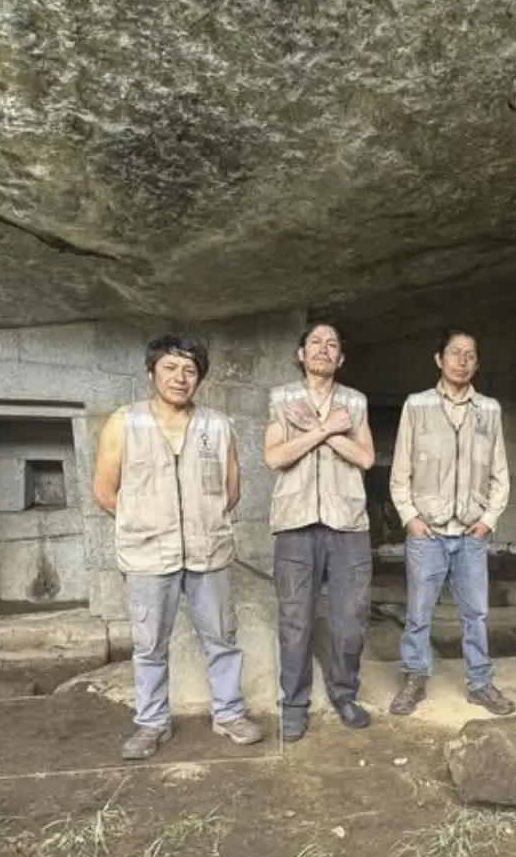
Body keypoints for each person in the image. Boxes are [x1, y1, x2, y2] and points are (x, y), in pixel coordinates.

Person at [92, 333, 266, 760]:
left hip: (209, 553)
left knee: (222, 639)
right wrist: (147, 524)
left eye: (190, 370)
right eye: (170, 367)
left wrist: (200, 523)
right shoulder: (124, 422)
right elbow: (105, 492)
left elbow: (231, 490)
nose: (180, 377)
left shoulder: (217, 425)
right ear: (152, 372)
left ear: (199, 379)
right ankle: (152, 723)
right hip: (149, 555)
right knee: (150, 645)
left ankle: (228, 714)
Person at [387, 329, 516, 717]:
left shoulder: (488, 410)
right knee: (418, 613)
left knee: (476, 613)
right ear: (439, 359)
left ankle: (480, 683)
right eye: (455, 352)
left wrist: (489, 519)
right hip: (427, 532)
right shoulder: (417, 406)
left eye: (470, 354)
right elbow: (400, 471)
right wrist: (410, 517)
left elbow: (500, 474)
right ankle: (415, 677)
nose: (462, 360)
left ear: (477, 364)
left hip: (471, 533)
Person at [262, 321, 378, 742]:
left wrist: (317, 430)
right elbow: (275, 457)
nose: (323, 349)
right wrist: (327, 429)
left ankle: (345, 694)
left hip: (348, 524)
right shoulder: (281, 399)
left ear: (341, 358)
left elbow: (366, 459)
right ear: (301, 354)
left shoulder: (356, 402)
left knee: (351, 620)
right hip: (295, 524)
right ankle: (294, 705)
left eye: (332, 344)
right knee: (295, 621)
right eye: (315, 342)